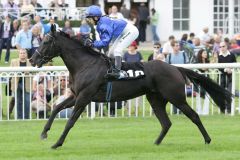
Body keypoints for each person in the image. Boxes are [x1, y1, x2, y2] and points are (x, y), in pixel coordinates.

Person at [84, 5, 139, 80]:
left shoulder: (103, 25)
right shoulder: (100, 23)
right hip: (124, 31)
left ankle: (118, 72)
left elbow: (105, 42)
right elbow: (102, 41)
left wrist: (92, 44)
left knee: (117, 50)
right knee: (111, 53)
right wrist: (93, 42)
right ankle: (114, 69)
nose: (89, 21)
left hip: (131, 31)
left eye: (90, 18)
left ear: (96, 18)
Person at [166, 41, 189, 114]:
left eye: (178, 45)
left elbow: (187, 66)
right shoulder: (169, 56)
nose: (177, 47)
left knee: (182, 95)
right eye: (176, 45)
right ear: (172, 47)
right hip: (172, 78)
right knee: (173, 95)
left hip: (182, 77)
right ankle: (175, 111)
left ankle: (183, 111)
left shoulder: (184, 54)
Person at [10, 49, 31, 119]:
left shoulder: (30, 62)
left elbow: (34, 72)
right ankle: (19, 117)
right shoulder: (13, 61)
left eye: (24, 53)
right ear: (19, 54)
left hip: (27, 84)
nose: (22, 54)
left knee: (27, 101)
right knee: (18, 101)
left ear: (26, 54)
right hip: (16, 84)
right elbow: (10, 72)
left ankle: (27, 117)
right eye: (21, 53)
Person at [218, 41, 236, 113]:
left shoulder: (231, 55)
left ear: (226, 46)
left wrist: (231, 69)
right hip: (221, 77)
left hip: (230, 77)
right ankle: (222, 109)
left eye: (223, 46)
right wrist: (225, 69)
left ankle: (229, 110)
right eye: (220, 47)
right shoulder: (218, 55)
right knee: (221, 93)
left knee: (229, 92)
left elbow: (235, 64)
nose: (222, 48)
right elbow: (217, 67)